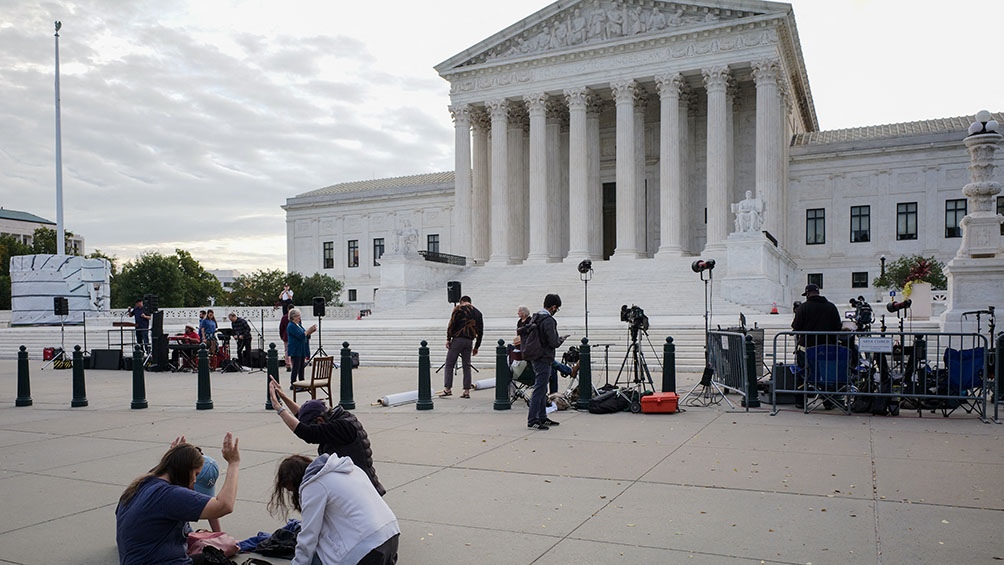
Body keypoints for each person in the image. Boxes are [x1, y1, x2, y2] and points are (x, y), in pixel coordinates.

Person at [116, 433, 240, 565]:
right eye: (195, 474)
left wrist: (176, 455)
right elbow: (224, 505)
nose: (194, 480)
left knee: (212, 556)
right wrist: (234, 463)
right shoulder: (169, 495)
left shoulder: (141, 485)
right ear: (183, 470)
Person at [268, 454, 400, 565]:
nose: (292, 493)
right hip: (391, 535)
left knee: (315, 559)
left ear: (293, 481)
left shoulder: (314, 486)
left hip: (367, 548)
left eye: (289, 489)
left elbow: (309, 536)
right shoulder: (351, 469)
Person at [268, 380, 385, 496]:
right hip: (357, 487)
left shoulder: (341, 427)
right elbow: (302, 416)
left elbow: (307, 433)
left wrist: (279, 409)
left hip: (363, 492)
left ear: (320, 420)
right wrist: (283, 396)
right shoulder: (338, 418)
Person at [521, 294, 566, 430]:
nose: (555, 312)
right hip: (544, 357)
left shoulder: (536, 317)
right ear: (553, 307)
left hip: (535, 356)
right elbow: (553, 341)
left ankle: (542, 417)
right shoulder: (548, 320)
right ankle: (533, 419)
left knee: (541, 388)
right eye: (556, 309)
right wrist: (560, 340)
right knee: (539, 389)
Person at [441, 295, 484, 399]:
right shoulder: (477, 313)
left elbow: (452, 324)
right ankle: (466, 391)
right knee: (467, 366)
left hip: (458, 339)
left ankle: (448, 389)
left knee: (449, 364)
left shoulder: (458, 309)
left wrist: (448, 338)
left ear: (461, 301)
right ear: (470, 302)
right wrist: (477, 346)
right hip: (469, 341)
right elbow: (481, 331)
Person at [287, 308, 317, 387]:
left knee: (301, 367)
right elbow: (300, 336)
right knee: (296, 367)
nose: (299, 318)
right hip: (295, 349)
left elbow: (304, 334)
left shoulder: (299, 325)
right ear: (293, 317)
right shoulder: (291, 326)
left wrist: (310, 331)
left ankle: (302, 382)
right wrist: (308, 331)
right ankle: (293, 383)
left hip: (301, 348)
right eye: (297, 316)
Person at [280, 305, 291, 371]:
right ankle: (290, 364)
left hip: (286, 336)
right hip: (291, 336)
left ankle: (288, 364)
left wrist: (282, 336)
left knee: (287, 350)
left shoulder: (284, 317)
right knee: (290, 350)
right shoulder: (296, 317)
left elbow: (281, 328)